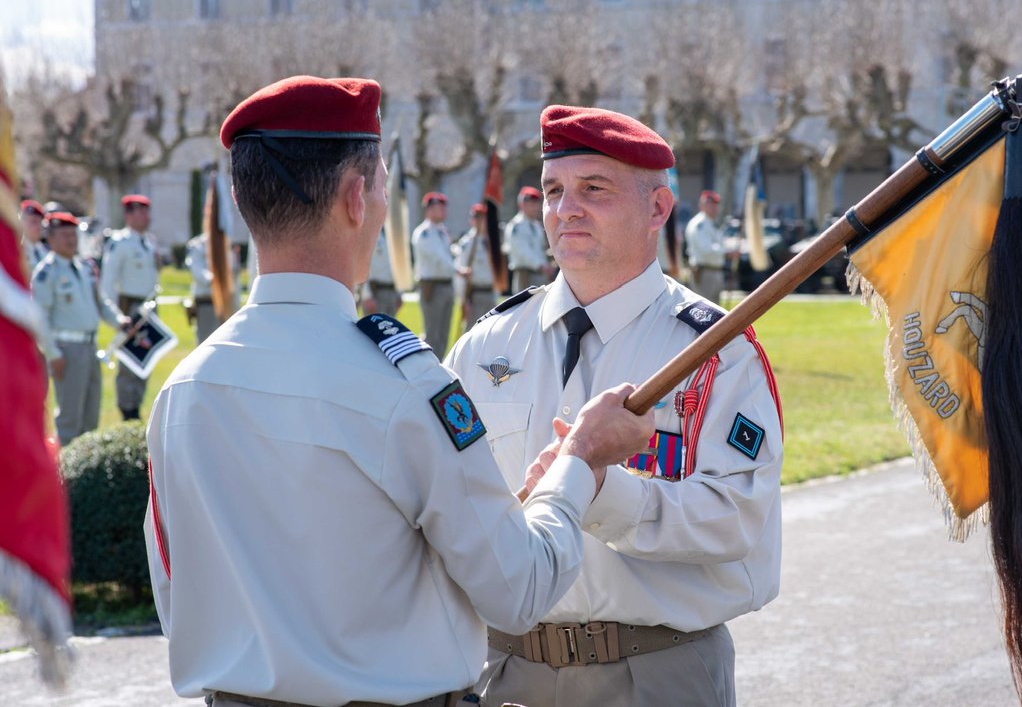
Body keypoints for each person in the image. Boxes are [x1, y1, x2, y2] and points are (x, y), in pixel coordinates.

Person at [143, 75, 657, 707]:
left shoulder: (184, 391)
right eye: (385, 185)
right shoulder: (404, 387)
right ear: (358, 197)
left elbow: (176, 595)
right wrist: (579, 464)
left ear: (241, 199)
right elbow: (518, 589)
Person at [445, 105, 784, 707]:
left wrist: (601, 492)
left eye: (593, 189)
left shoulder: (713, 352)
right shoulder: (485, 345)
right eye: (554, 190)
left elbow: (739, 517)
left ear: (657, 208)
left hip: (656, 670)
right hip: (504, 671)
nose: (565, 208)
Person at [31, 211, 127, 443]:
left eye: (73, 234)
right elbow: (39, 318)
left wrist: (119, 321)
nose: (71, 240)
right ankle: (66, 475)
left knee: (91, 415)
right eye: (64, 235)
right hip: (67, 349)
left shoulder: (85, 267)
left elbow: (100, 303)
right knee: (70, 419)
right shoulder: (46, 273)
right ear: (51, 239)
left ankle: (85, 474)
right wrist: (53, 355)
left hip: (90, 346)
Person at [100, 193, 159, 420]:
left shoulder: (148, 242)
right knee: (128, 361)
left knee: (145, 356)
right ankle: (127, 407)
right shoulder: (120, 243)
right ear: (129, 215)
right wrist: (115, 315)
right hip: (129, 306)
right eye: (141, 211)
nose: (146, 216)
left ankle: (138, 401)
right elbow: (108, 281)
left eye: (147, 211)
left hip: (148, 307)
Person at [412, 191, 455, 358]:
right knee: (432, 333)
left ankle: (440, 366)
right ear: (429, 210)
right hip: (432, 286)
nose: (444, 212)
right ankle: (427, 367)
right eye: (440, 208)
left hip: (446, 284)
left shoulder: (443, 231)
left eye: (445, 208)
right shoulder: (424, 233)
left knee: (444, 333)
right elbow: (439, 258)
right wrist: (458, 269)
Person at [685, 190, 734, 304]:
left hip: (716, 271)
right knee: (705, 309)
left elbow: (721, 244)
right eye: (711, 204)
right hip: (704, 272)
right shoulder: (698, 224)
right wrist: (726, 253)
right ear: (703, 205)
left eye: (716, 205)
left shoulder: (713, 224)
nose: (715, 208)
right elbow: (706, 249)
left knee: (716, 311)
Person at [504, 185, 554, 291]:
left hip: (540, 274)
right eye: (531, 204)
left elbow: (540, 250)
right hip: (525, 275)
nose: (535, 208)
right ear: (522, 205)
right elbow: (522, 251)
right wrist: (541, 265)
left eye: (537, 204)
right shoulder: (516, 226)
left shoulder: (537, 226)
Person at [453, 203, 497, 322]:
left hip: (490, 292)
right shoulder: (467, 243)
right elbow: (461, 271)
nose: (481, 221)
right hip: (474, 294)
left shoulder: (491, 242)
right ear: (472, 220)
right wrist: (463, 301)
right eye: (477, 217)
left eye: (483, 218)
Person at [360, 227, 400, 316]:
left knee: (391, 329)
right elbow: (360, 265)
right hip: (375, 294)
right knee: (372, 329)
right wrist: (367, 296)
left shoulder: (390, 232)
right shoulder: (368, 234)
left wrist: (399, 293)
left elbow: (395, 265)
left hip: (392, 291)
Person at [20, 199, 48, 273]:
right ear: (21, 223)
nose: (39, 226)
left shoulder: (44, 251)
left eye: (41, 221)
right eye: (33, 221)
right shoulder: (16, 250)